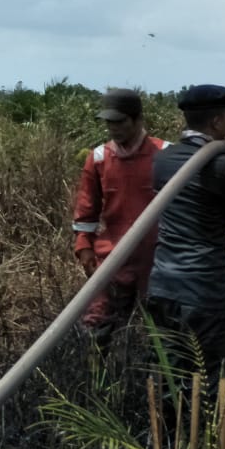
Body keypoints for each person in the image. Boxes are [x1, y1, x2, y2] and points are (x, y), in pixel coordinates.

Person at [146, 84, 225, 394]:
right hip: (201, 292)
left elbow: (208, 188)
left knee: (169, 374)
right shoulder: (222, 166)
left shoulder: (163, 160)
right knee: (208, 378)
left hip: (162, 288)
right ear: (216, 122)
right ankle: (205, 426)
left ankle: (167, 424)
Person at [72, 88, 170, 349]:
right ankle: (98, 374)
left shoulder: (165, 154)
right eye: (109, 123)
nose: (113, 128)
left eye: (120, 122)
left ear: (138, 120)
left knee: (165, 331)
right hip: (113, 257)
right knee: (97, 328)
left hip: (158, 258)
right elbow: (86, 210)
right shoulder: (99, 158)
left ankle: (157, 374)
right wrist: (84, 246)